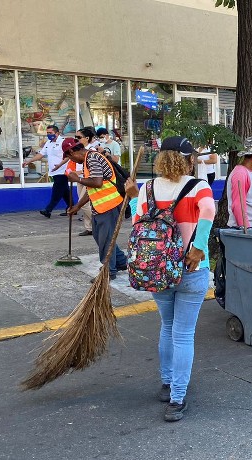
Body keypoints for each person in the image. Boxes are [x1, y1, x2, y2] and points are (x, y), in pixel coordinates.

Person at [124, 136, 216, 423]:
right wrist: (198, 248)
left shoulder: (147, 188)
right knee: (183, 334)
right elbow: (210, 212)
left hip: (156, 269)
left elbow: (137, 223)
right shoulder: (198, 186)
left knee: (167, 326)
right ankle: (177, 398)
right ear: (189, 159)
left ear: (162, 158)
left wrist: (132, 198)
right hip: (191, 268)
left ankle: (166, 384)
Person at [65, 138, 127, 281]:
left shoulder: (92, 158)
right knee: (100, 237)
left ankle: (108, 272)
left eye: (70, 157)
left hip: (110, 205)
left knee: (105, 240)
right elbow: (91, 187)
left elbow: (97, 183)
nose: (72, 160)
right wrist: (78, 206)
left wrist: (77, 179)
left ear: (72, 151)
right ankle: (120, 262)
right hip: (100, 206)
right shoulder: (89, 160)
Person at [23, 125, 69, 218]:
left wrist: (60, 165)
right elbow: (41, 155)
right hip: (54, 171)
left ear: (57, 133)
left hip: (63, 171)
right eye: (47, 133)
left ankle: (48, 210)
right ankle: (72, 207)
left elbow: (69, 156)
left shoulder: (63, 142)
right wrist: (29, 161)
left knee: (57, 190)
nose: (48, 135)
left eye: (50, 133)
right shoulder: (48, 143)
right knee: (64, 191)